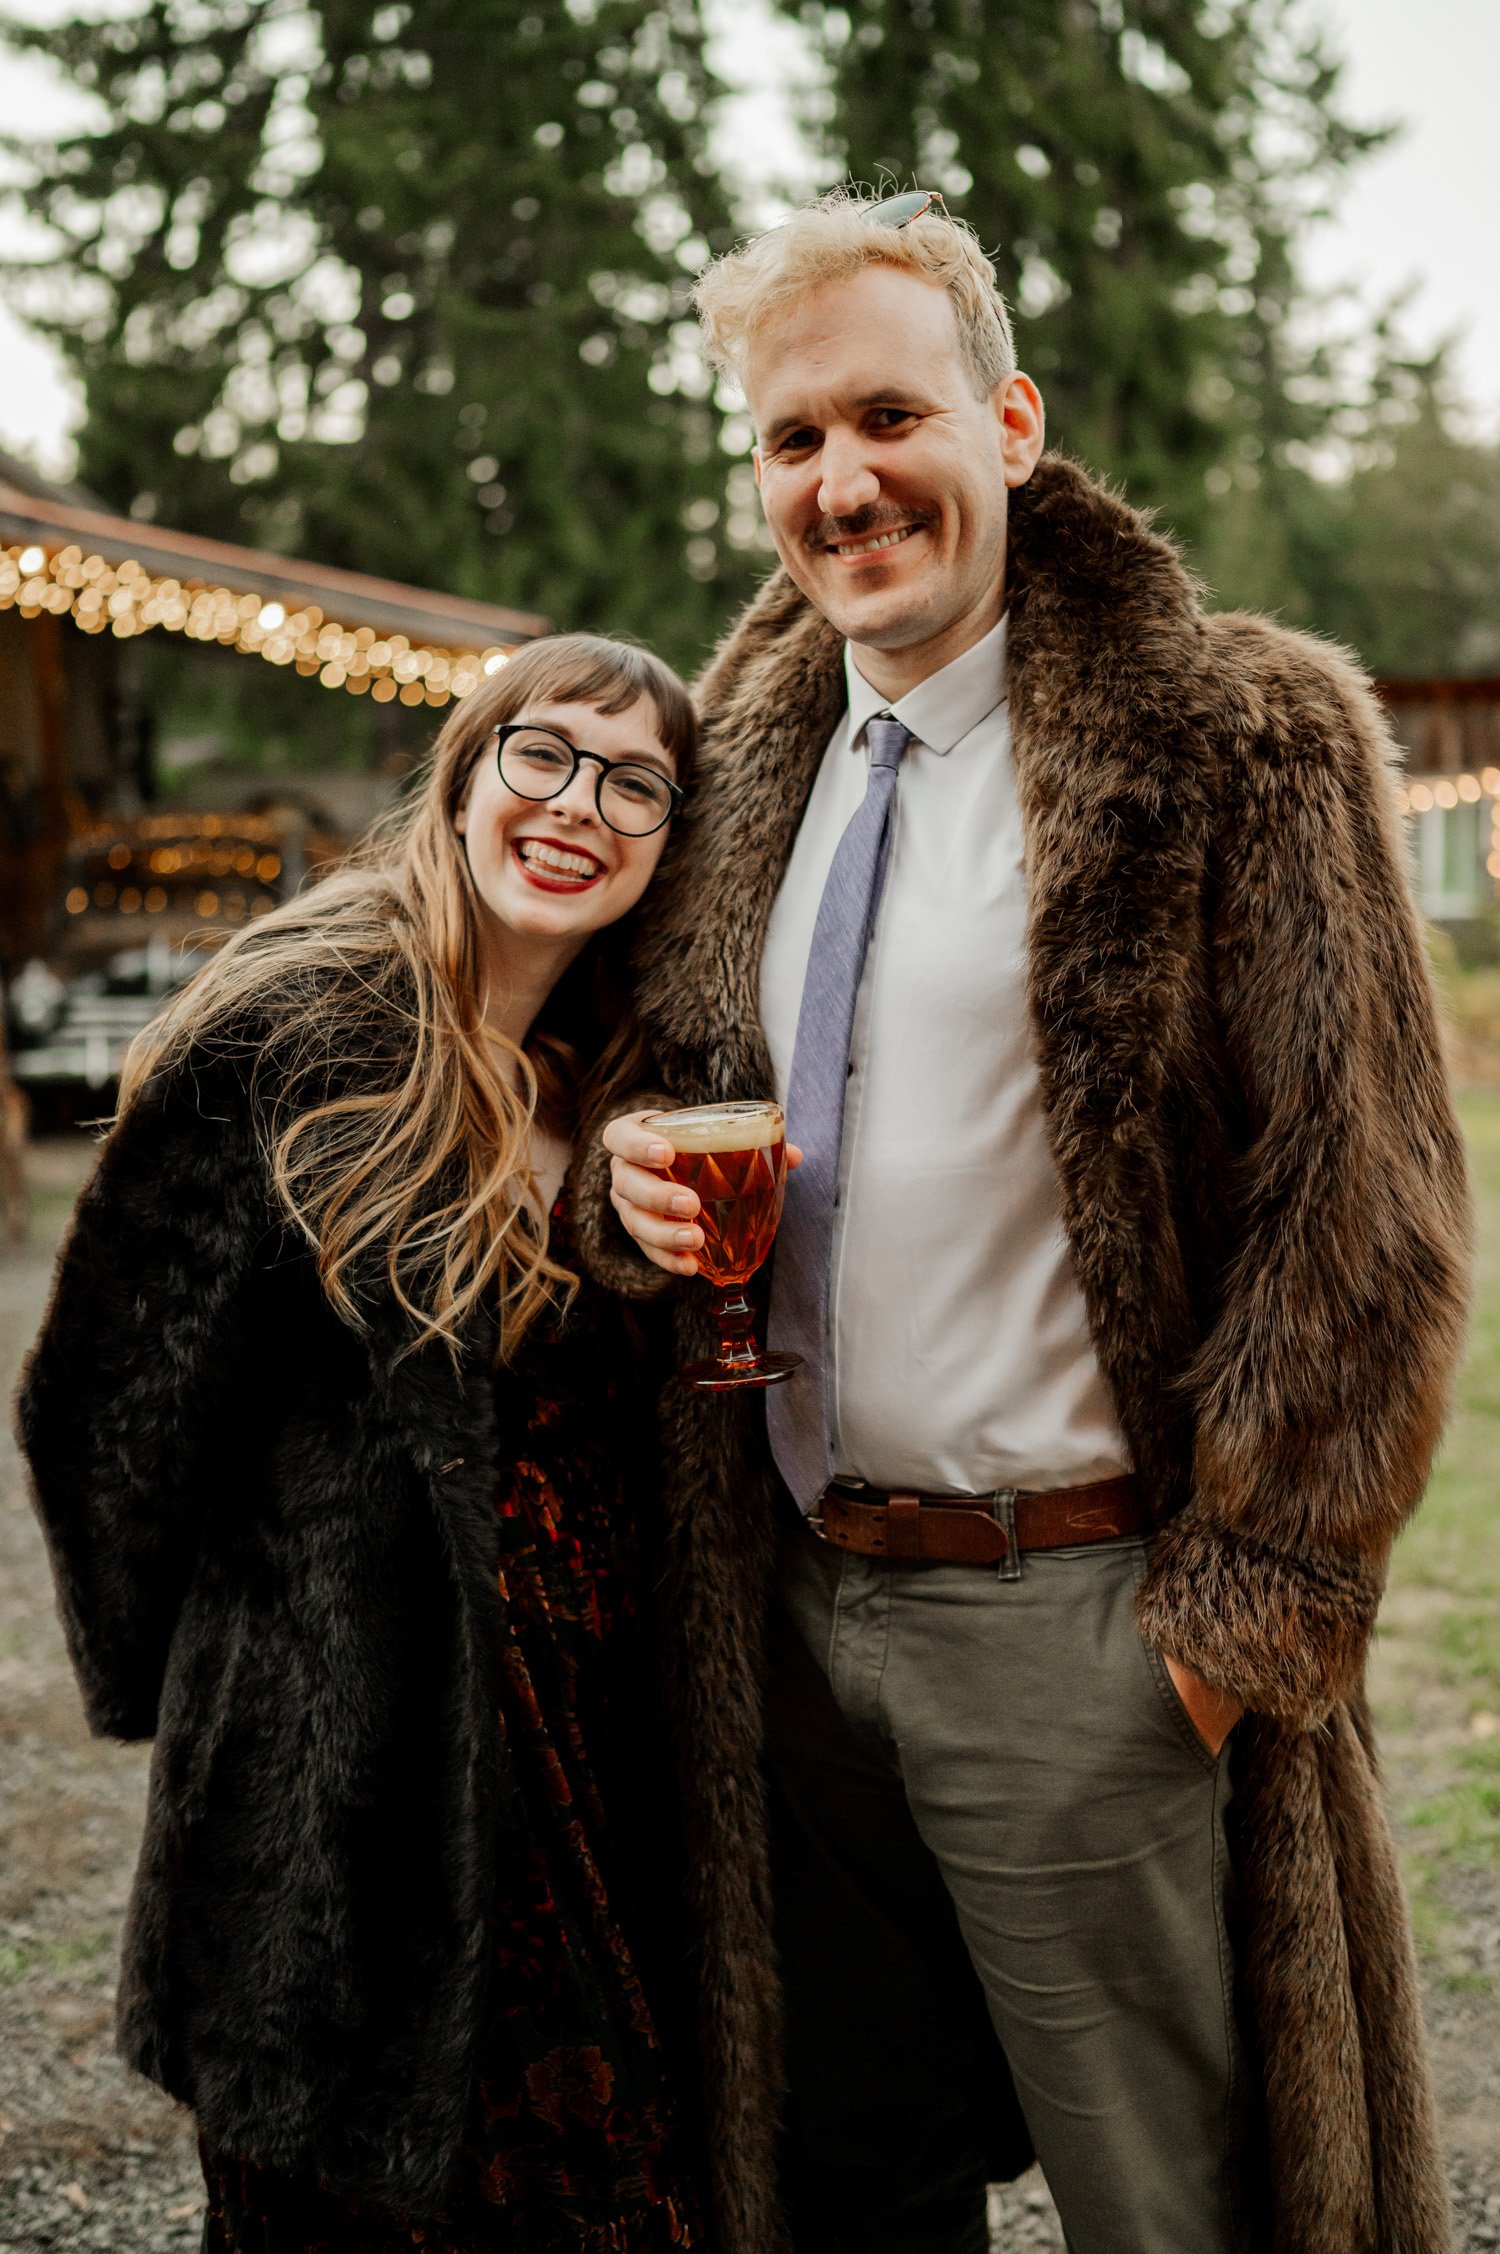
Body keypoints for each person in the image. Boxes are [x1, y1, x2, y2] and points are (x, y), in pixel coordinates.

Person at [585, 189, 1472, 2254]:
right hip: (792, 1627)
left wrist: (1235, 1623)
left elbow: (1371, 1217)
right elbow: (636, 1096)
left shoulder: (1245, 735)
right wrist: (626, 1186)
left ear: (1010, 421)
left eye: (888, 415)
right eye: (791, 439)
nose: (842, 480)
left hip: (1083, 1629)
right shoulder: (729, 772)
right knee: (844, 2190)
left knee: (1183, 2209)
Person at [18, 635, 707, 2253]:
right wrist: (220, 1690)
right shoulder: (288, 1039)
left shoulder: (604, 1083)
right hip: (351, 1799)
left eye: (636, 784)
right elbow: (97, 1412)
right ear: (466, 772)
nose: (578, 805)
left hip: (588, 1785)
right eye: (544, 754)